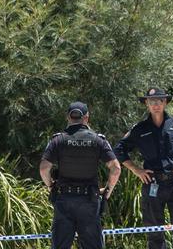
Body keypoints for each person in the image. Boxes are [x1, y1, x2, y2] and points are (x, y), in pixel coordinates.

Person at [115, 87, 173, 249]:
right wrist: (136, 169)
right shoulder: (140, 129)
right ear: (146, 104)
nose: (155, 105)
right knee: (155, 235)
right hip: (152, 183)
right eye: (151, 102)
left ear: (165, 102)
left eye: (159, 101)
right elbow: (118, 149)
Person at [40, 101, 122, 249]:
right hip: (89, 201)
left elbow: (44, 168)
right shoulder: (98, 140)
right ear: (86, 118)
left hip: (64, 200)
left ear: (68, 117)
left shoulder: (58, 140)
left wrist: (51, 185)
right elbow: (116, 168)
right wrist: (107, 192)